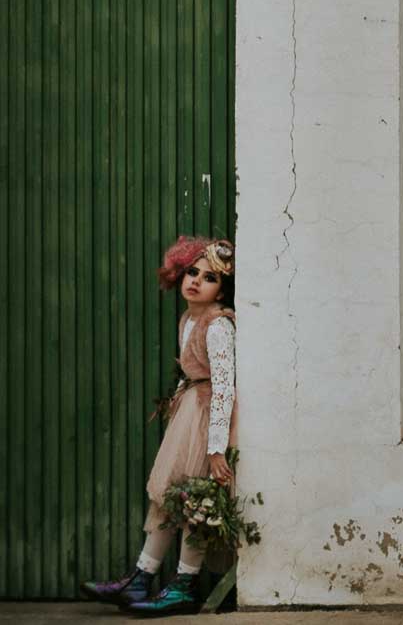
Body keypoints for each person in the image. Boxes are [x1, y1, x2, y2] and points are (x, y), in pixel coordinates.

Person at [79, 236, 238, 616]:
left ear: (222, 290)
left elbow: (225, 388)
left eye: (209, 278)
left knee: (197, 500)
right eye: (191, 272)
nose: (196, 281)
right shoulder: (189, 318)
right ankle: (142, 576)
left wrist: (216, 447)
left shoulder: (218, 326)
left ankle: (185, 583)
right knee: (169, 496)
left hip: (206, 420)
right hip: (189, 413)